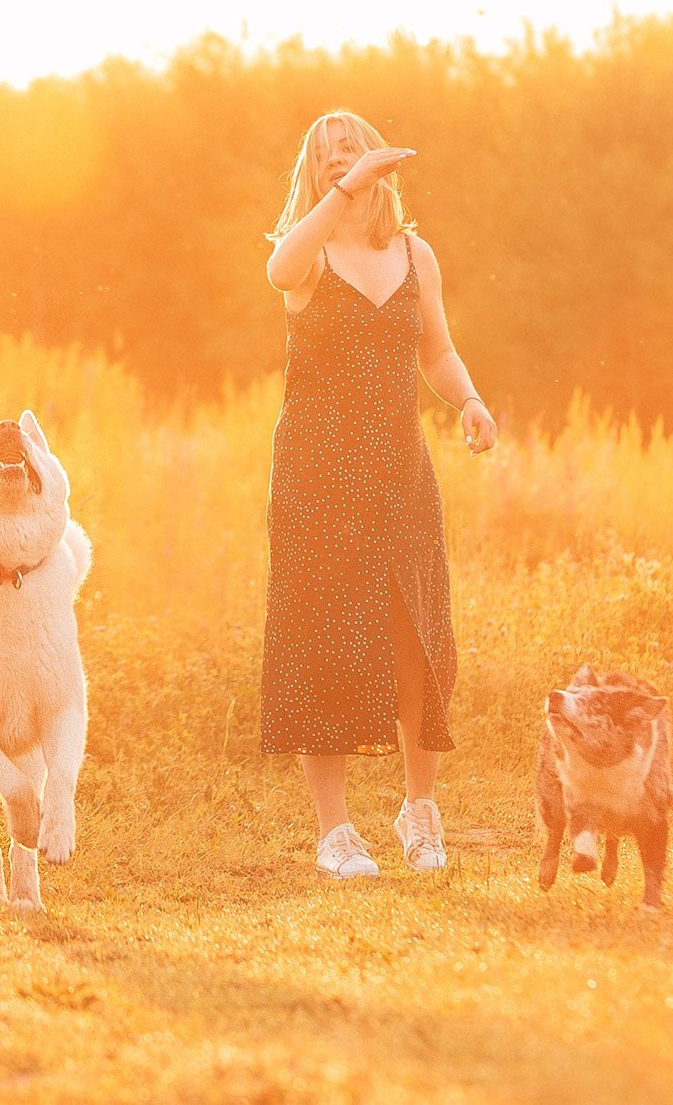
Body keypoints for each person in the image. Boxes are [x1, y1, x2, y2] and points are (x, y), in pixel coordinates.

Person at [260, 110, 498, 879]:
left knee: (416, 641)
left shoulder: (415, 254)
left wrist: (469, 400)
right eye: (325, 155)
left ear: (375, 157)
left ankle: (418, 812)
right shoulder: (307, 253)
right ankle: (336, 833)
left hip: (400, 472)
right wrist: (344, 193)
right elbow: (278, 271)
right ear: (313, 172)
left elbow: (439, 350)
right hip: (317, 474)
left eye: (350, 148)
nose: (339, 159)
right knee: (322, 643)